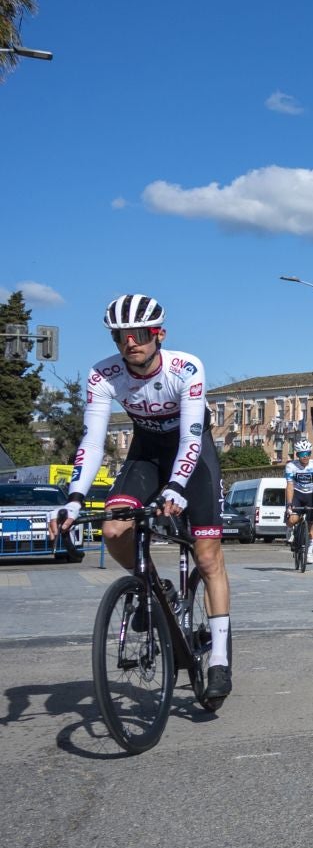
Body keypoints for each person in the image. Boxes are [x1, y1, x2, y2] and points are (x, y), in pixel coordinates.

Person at [50, 294, 235, 699]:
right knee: (115, 529)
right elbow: (94, 441)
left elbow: (190, 436)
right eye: (120, 336)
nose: (129, 342)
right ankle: (155, 588)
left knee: (207, 556)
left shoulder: (185, 368)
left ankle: (219, 658)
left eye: (138, 334)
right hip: (147, 452)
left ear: (159, 334)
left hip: (193, 453)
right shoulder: (103, 375)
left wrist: (177, 486)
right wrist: (75, 497)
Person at [284, 439, 313, 560]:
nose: (305, 457)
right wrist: (289, 504)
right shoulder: (291, 466)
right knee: (293, 519)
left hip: (311, 495)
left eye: (308, 453)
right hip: (297, 494)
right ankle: (289, 529)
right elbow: (289, 485)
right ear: (297, 455)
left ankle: (309, 553)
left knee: (310, 525)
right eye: (302, 454)